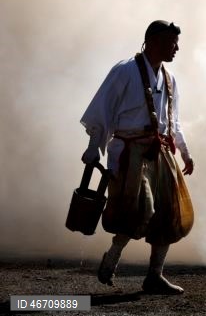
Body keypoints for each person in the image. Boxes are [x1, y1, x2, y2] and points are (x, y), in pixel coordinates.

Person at [80, 20, 195, 295]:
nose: (176, 48)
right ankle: (113, 256)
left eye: (177, 42)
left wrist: (186, 152)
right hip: (129, 153)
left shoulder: (170, 79)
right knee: (142, 208)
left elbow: (173, 121)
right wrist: (95, 146)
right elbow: (102, 111)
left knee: (169, 212)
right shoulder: (125, 71)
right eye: (171, 41)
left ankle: (154, 276)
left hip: (161, 153)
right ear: (153, 41)